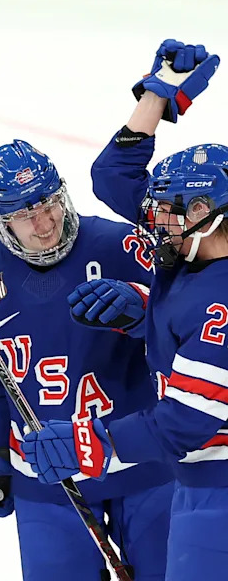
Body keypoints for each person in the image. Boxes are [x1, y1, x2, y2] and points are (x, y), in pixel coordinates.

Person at [21, 39, 228, 579]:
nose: (149, 220)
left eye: (163, 211)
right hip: (200, 481)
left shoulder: (220, 301)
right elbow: (113, 178)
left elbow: (187, 421)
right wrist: (158, 93)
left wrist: (92, 443)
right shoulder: (192, 246)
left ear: (203, 211)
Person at [0, 140, 173, 580]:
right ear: (0, 223)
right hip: (50, 473)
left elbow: (191, 342)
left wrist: (143, 310)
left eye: (47, 202)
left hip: (139, 461)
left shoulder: (122, 245)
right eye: (23, 214)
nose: (43, 223)